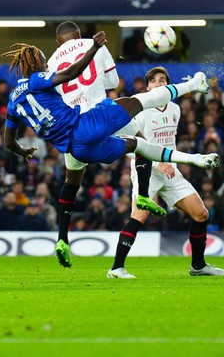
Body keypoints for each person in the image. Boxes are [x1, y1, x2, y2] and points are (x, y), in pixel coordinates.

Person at [1, 36, 221, 227]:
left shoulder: (13, 101)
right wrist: (94, 48)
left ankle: (195, 159)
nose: (46, 63)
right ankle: (193, 84)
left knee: (137, 145)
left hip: (75, 149)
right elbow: (72, 72)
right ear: (35, 62)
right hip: (86, 125)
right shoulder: (36, 80)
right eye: (42, 59)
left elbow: (9, 142)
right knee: (139, 101)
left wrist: (23, 152)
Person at [46, 22, 166, 268]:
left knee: (72, 182)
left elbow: (54, 98)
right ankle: (143, 195)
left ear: (59, 42)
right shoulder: (94, 43)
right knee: (140, 142)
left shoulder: (51, 61)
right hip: (102, 115)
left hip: (75, 127)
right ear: (79, 35)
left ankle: (62, 238)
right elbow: (112, 81)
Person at [107, 67, 224, 279]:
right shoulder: (138, 108)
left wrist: (168, 163)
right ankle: (116, 268)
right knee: (139, 216)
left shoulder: (175, 109)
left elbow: (169, 142)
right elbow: (128, 147)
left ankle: (198, 266)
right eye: (153, 81)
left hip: (171, 172)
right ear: (147, 87)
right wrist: (156, 164)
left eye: (162, 80)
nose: (158, 84)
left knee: (201, 214)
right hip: (147, 171)